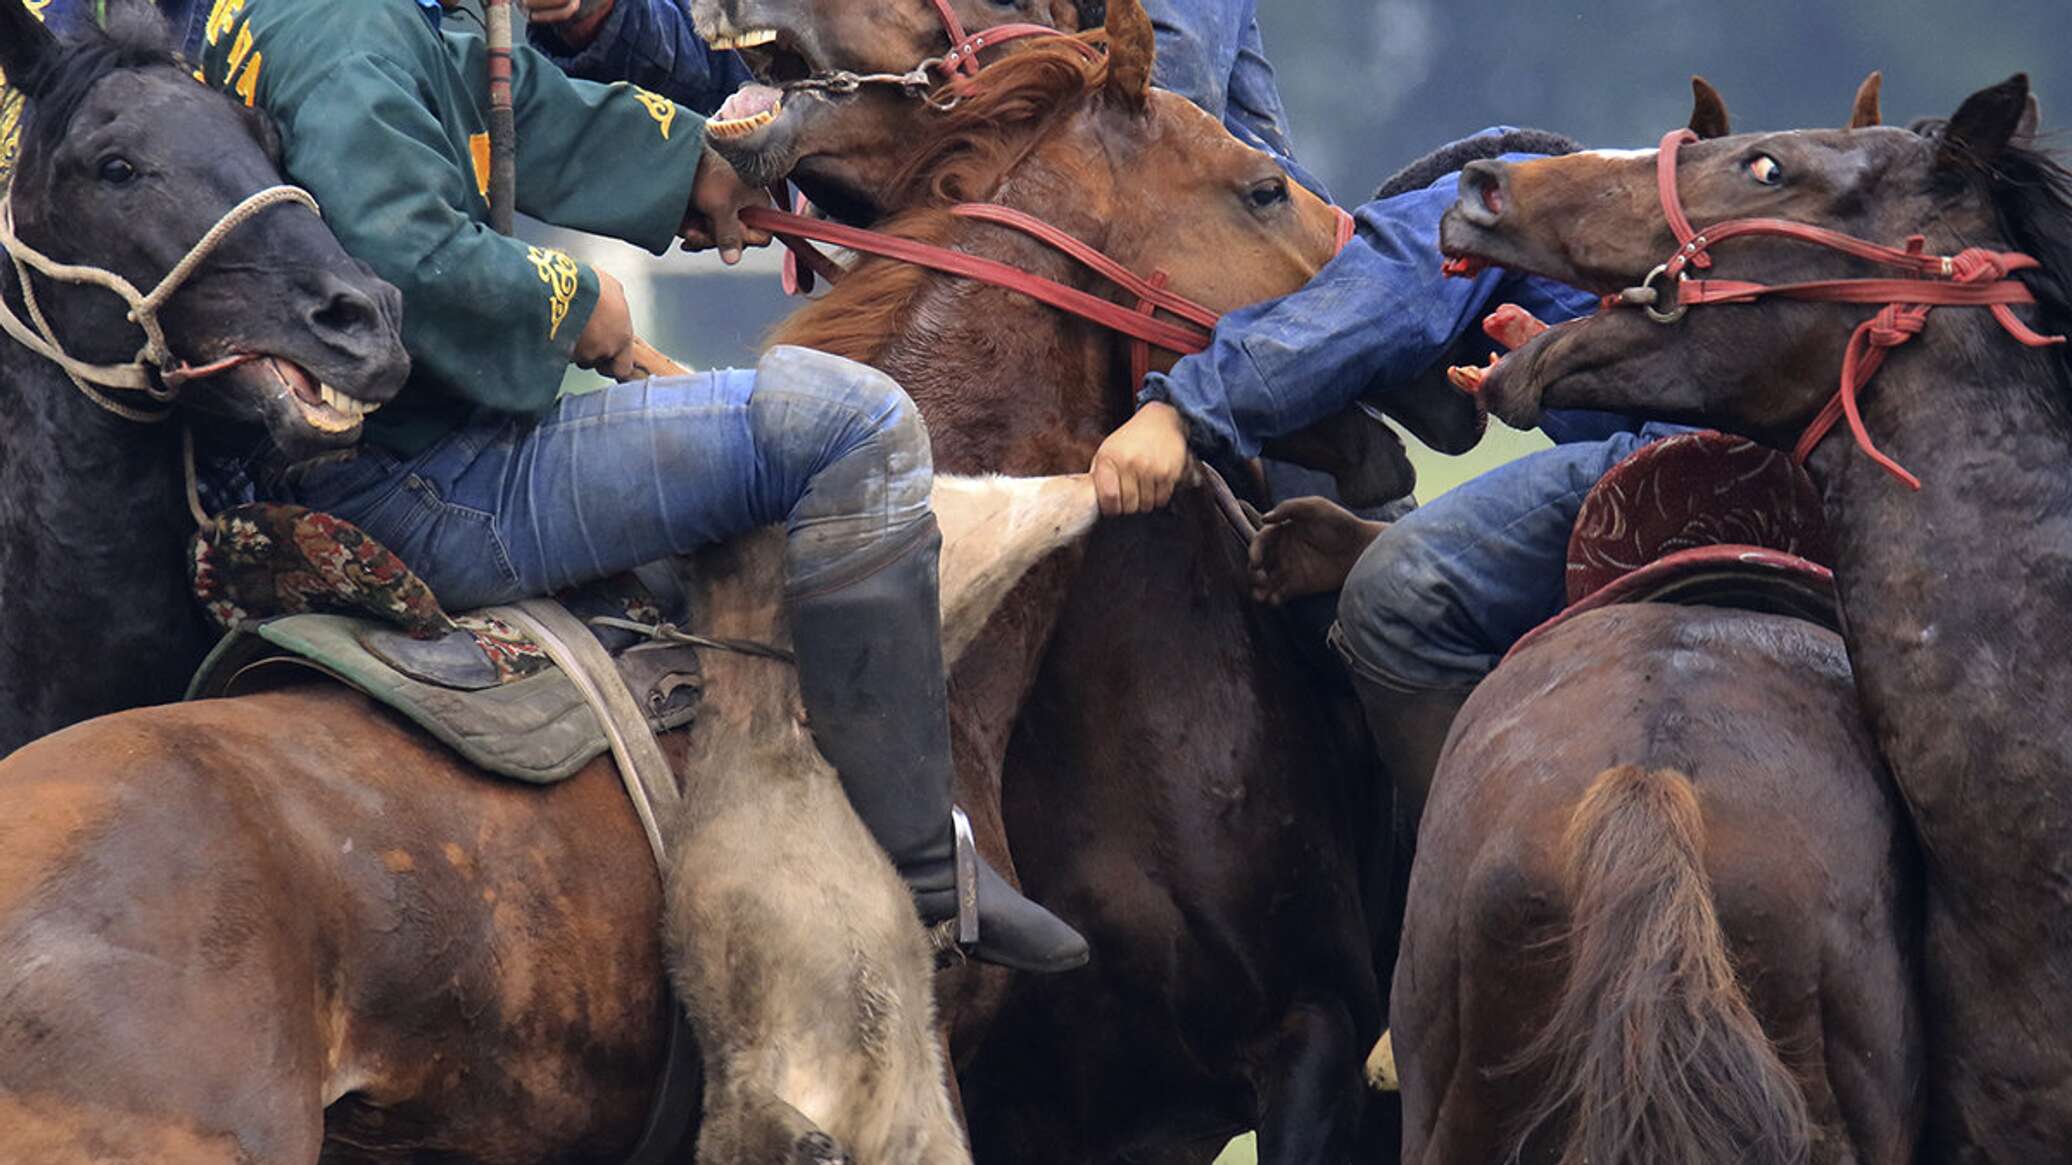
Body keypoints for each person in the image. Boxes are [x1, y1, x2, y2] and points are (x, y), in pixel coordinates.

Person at [197, 0, 1089, 974]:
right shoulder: (346, 26)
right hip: (420, 483)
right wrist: (576, 303)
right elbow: (402, 256)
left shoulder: (368, 14)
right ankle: (922, 859)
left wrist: (698, 169)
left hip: (388, 462)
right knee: (857, 423)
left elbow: (522, 108)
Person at [1084, 130, 1687, 819]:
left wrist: (1181, 411)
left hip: (1685, 459)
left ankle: (1455, 888)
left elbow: (1376, 305)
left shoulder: (1488, 197)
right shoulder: (1622, 232)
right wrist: (1372, 538)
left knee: (1394, 600)